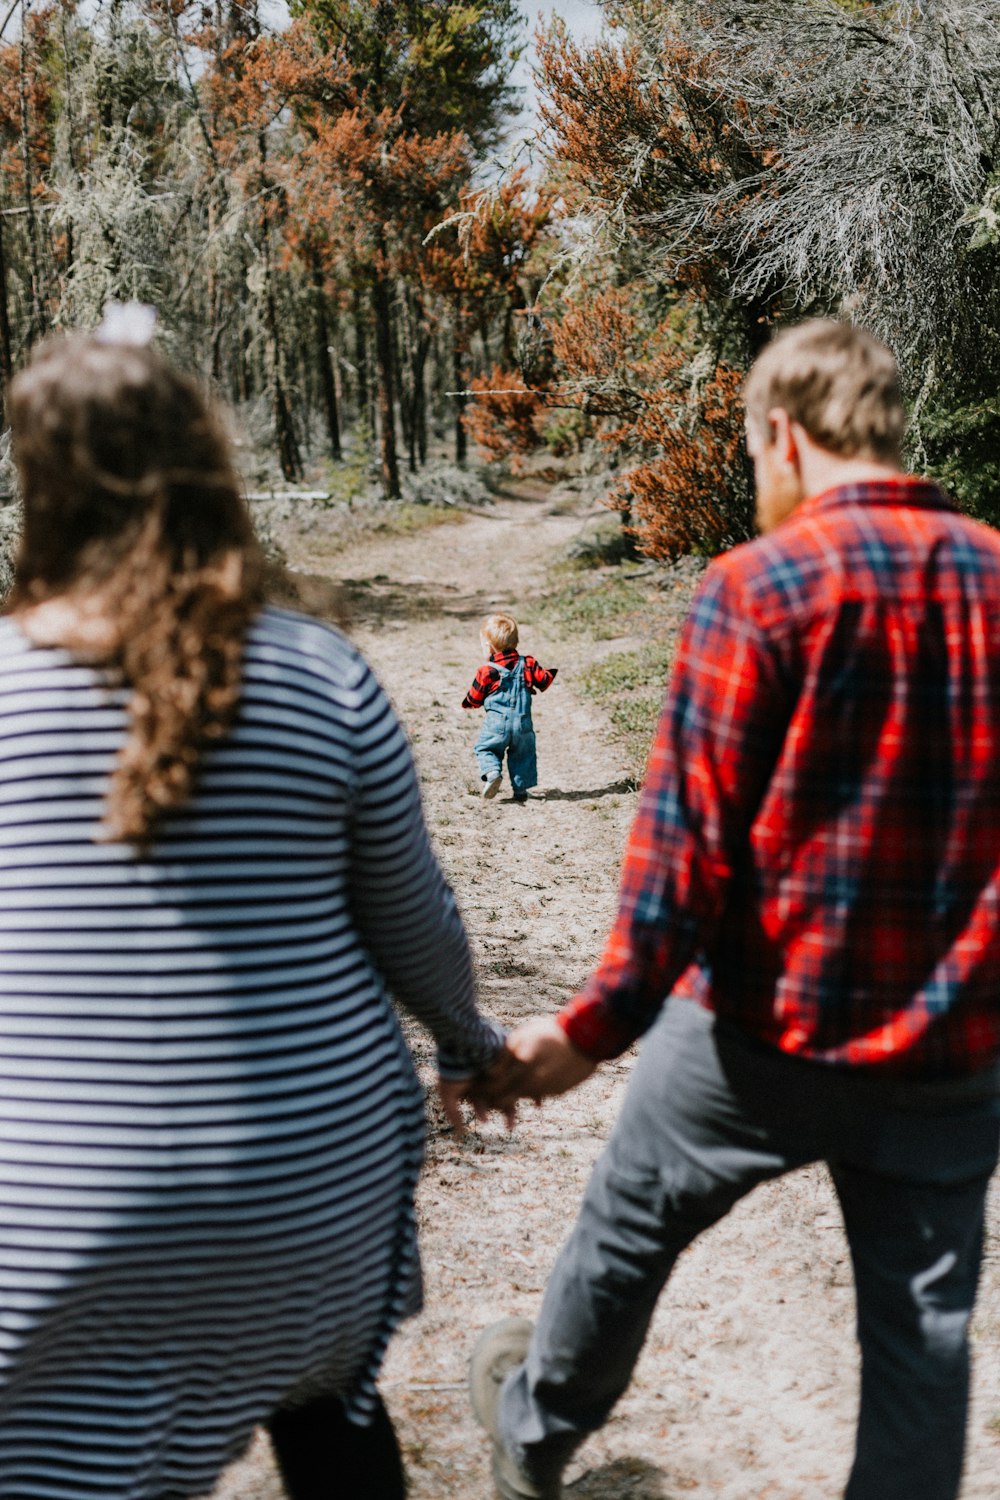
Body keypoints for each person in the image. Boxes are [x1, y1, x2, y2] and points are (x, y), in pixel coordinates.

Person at [468, 319, 1000, 1500]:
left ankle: (533, 1434)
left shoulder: (755, 590)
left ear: (780, 433)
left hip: (758, 1033)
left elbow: (681, 863)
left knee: (624, 1231)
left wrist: (589, 1031)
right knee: (920, 1352)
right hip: (949, 1052)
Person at [0, 320, 514, 1500]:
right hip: (307, 1203)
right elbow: (416, 928)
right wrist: (470, 1048)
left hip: (47, 1222)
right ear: (202, 465)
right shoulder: (320, 672)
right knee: (331, 1408)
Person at [462, 613, 557, 801]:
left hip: (496, 725)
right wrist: (548, 674)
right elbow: (544, 681)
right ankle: (520, 791)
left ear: (489, 647)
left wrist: (468, 703)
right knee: (523, 755)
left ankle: (492, 773)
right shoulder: (528, 664)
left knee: (485, 748)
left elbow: (475, 697)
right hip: (523, 725)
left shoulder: (487, 671)